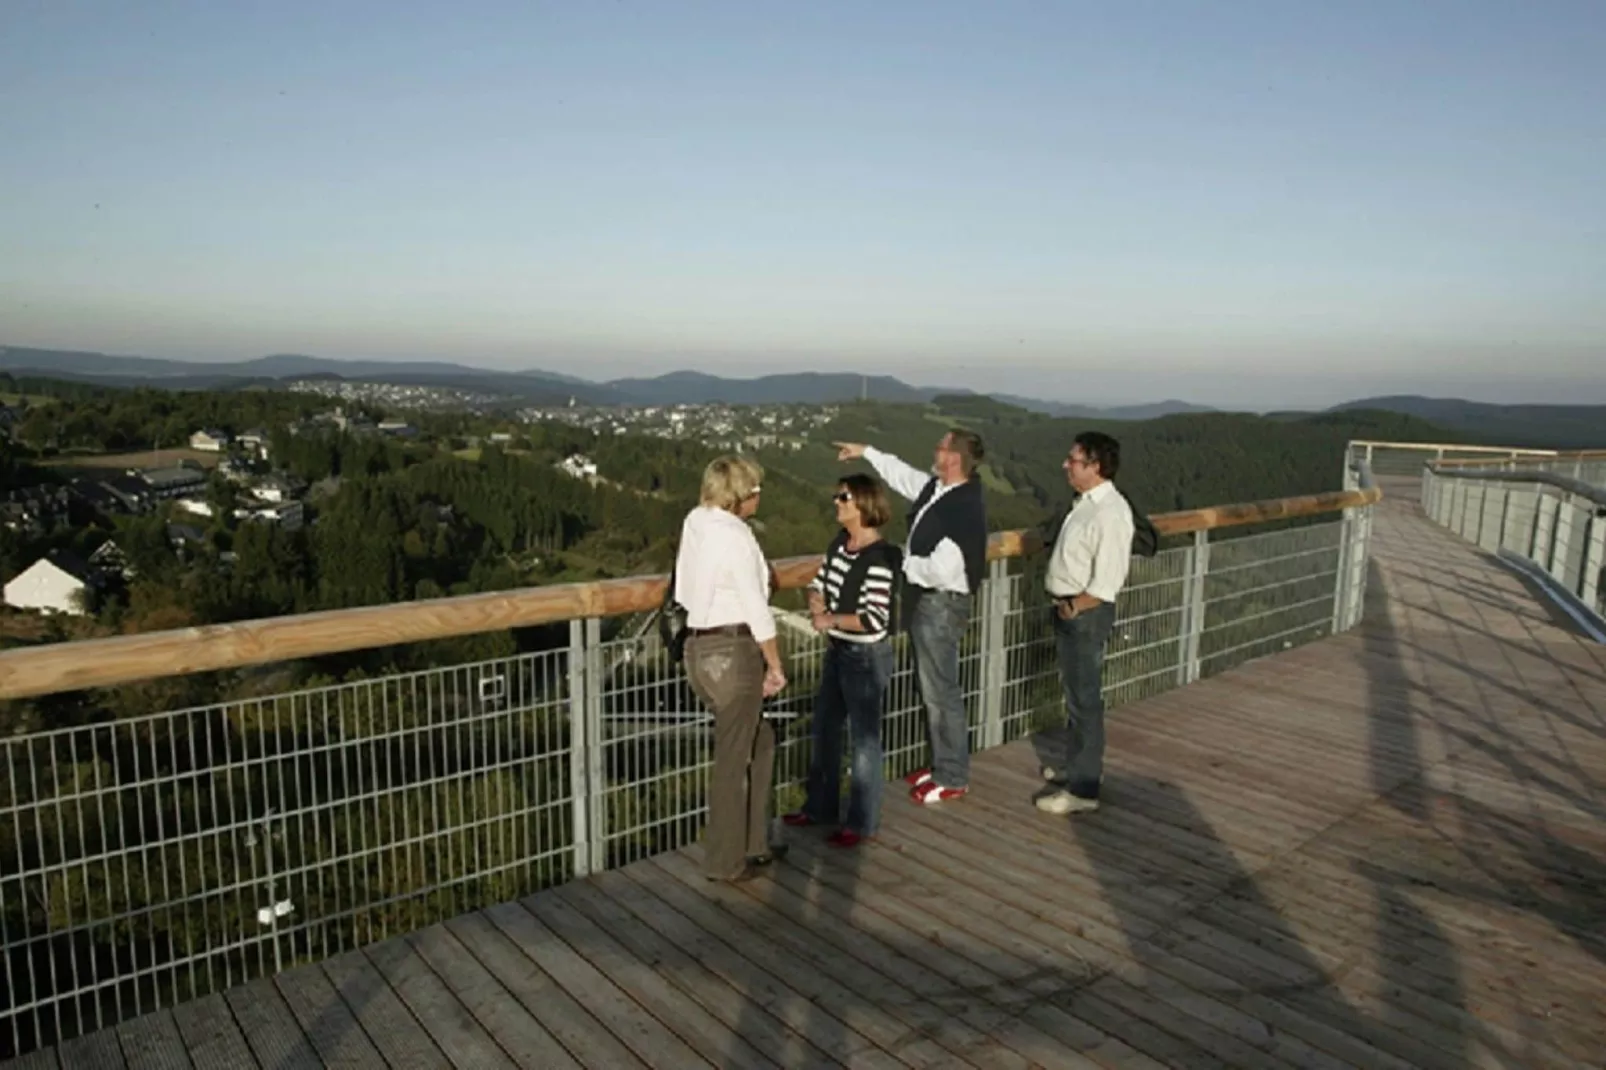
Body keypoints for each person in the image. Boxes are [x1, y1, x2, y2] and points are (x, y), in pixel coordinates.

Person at [835, 430, 988, 804]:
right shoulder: (941, 490)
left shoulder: (961, 508)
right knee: (933, 687)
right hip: (931, 603)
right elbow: (903, 475)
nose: (933, 450)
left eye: (939, 446)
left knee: (940, 692)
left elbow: (942, 569)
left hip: (940, 603)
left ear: (953, 458)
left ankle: (952, 775)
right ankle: (942, 765)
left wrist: (900, 559)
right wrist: (867, 450)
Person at [674, 455, 787, 880]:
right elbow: (756, 607)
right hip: (734, 650)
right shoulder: (736, 536)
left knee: (759, 740)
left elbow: (685, 588)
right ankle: (726, 862)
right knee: (732, 759)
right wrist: (774, 664)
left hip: (698, 650)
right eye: (755, 489)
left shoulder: (695, 522)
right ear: (740, 495)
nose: (759, 496)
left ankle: (754, 840)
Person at [783, 474, 901, 846]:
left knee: (864, 742)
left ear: (863, 504)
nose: (836, 501)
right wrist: (816, 598)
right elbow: (820, 582)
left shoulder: (880, 559)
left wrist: (829, 618)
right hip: (839, 651)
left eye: (843, 497)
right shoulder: (840, 544)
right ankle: (820, 807)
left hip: (864, 656)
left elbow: (876, 618)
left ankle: (861, 822)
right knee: (825, 730)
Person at [1035, 431, 1135, 815]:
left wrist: (1075, 606)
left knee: (1084, 701)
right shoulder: (1088, 504)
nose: (1066, 465)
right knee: (1077, 697)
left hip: (1084, 614)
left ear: (1095, 467)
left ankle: (1083, 788)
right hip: (1072, 609)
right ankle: (1081, 768)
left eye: (1073, 460)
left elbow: (1108, 581)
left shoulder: (1110, 513)